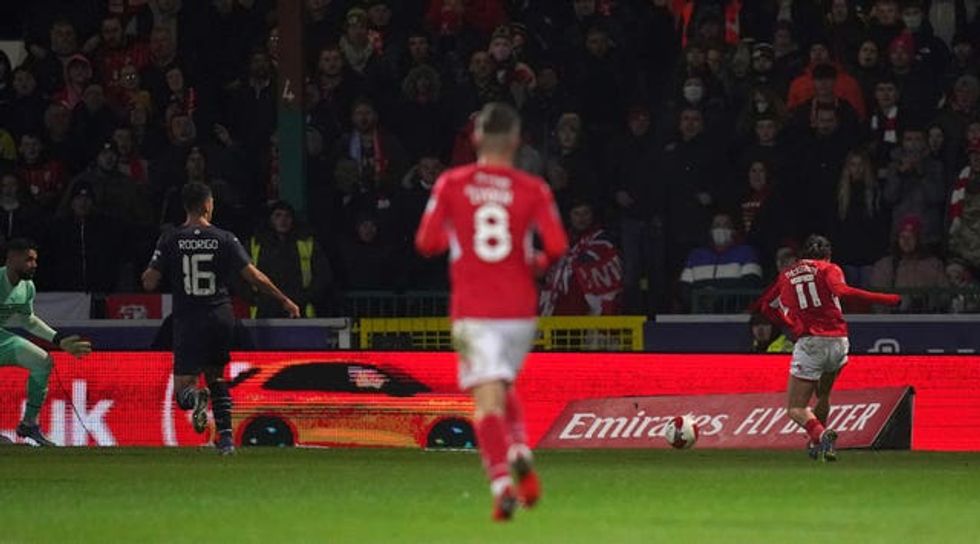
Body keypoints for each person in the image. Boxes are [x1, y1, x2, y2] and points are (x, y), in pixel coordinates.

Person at [415, 102, 568, 521]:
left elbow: (426, 242)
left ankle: (501, 483)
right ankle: (518, 446)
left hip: (474, 308)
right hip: (520, 310)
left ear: (476, 139)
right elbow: (556, 247)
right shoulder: (533, 188)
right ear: (516, 141)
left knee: (486, 402)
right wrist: (531, 263)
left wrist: (459, 238)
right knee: (500, 383)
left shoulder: (452, 183)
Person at [141, 183, 300, 455]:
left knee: (183, 391)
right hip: (220, 316)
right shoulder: (224, 238)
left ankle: (196, 397)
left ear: (185, 206)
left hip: (188, 319)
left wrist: (158, 270)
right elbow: (253, 276)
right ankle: (226, 440)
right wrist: (283, 299)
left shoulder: (170, 239)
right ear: (207, 205)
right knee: (217, 377)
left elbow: (149, 282)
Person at [760, 235, 900, 462]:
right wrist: (887, 299)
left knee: (796, 408)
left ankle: (821, 434)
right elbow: (842, 292)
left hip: (811, 343)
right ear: (828, 255)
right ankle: (820, 446)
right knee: (823, 394)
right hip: (838, 342)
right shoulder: (829, 268)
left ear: (803, 255)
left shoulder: (786, 274)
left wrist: (789, 323)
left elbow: (767, 306)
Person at [0, 238, 92, 446]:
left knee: (42, 362)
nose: (34, 265)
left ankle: (29, 424)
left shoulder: (27, 287)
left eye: (35, 260)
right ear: (12, 258)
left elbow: (28, 320)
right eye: (29, 260)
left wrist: (58, 340)